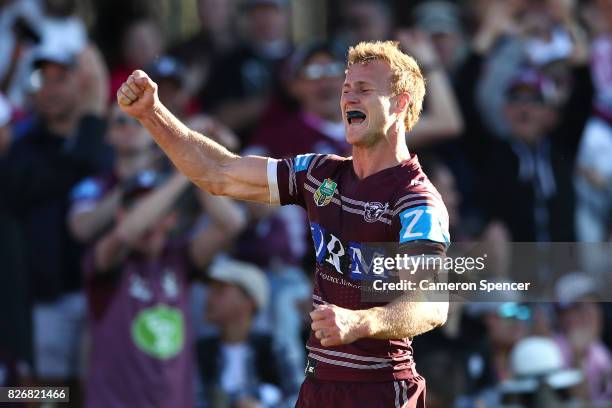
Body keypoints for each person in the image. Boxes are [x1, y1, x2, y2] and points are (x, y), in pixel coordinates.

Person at [117, 40, 450, 407]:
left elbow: (431, 305)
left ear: (401, 103)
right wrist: (152, 113)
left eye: (365, 89)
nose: (349, 98)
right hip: (318, 386)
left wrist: (361, 322)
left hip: (381, 389)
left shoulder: (416, 200)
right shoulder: (320, 173)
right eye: (346, 89)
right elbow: (220, 173)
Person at [83, 169, 246, 408]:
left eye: (158, 212)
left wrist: (196, 169)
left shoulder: (179, 258)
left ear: (171, 219)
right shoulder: (107, 258)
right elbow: (128, 232)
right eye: (140, 210)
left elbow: (233, 223)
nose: (149, 221)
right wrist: (182, 175)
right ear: (121, 216)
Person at [197, 257, 299, 407]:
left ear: (249, 301)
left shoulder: (275, 348)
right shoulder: (200, 351)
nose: (208, 297)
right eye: (210, 289)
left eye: (220, 290)